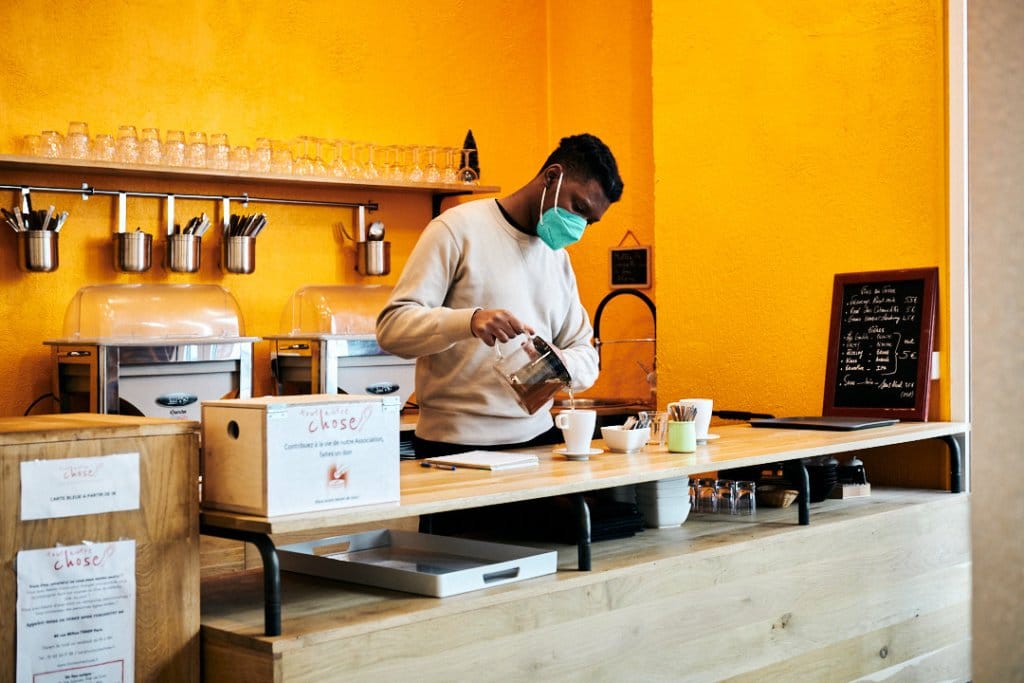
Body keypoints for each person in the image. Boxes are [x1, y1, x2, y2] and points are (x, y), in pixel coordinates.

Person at [376, 133, 624, 458]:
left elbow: (585, 353)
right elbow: (392, 329)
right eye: (577, 207)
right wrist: (470, 321)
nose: (577, 226)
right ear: (552, 176)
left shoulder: (556, 257)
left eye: (588, 221)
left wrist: (558, 363)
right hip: (453, 447)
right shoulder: (456, 229)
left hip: (539, 442)